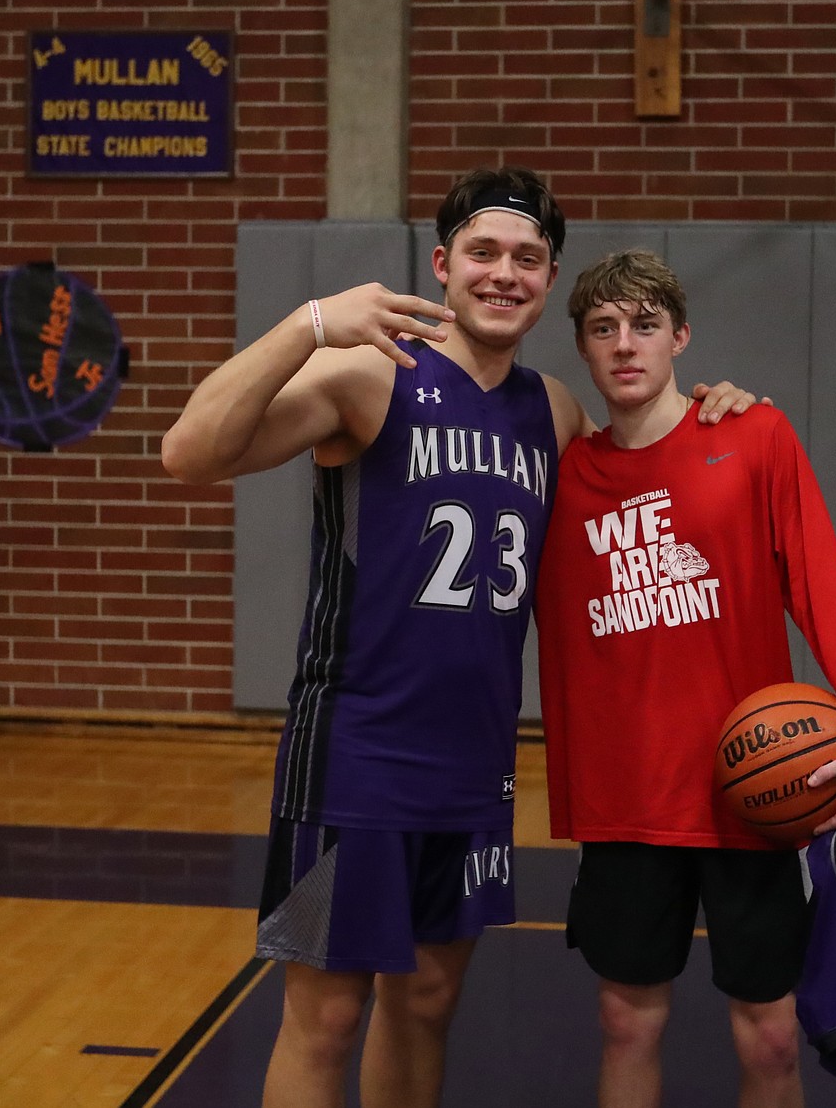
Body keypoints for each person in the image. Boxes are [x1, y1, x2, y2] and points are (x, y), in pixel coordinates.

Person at [161, 168, 755, 1108]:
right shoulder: (369, 370)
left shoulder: (553, 413)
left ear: (549, 279)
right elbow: (189, 452)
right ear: (442, 265)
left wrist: (711, 404)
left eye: (527, 259)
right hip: (353, 760)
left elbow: (650, 478)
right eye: (483, 253)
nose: (503, 274)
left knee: (428, 1004)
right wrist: (311, 322)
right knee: (326, 1017)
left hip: (475, 767)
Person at [534, 249, 836, 1108]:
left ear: (681, 338)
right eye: (603, 329)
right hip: (627, 800)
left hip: (754, 789)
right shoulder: (563, 475)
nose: (625, 345)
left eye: (646, 325)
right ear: (583, 351)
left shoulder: (752, 436)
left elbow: (825, 594)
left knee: (773, 1035)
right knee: (628, 1021)